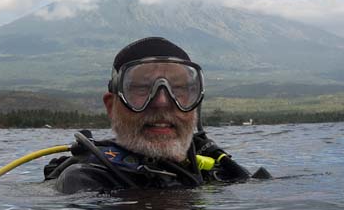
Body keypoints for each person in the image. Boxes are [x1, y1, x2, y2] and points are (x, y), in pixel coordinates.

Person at [44, 37, 269, 194]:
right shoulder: (86, 179)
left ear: (195, 106)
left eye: (179, 89)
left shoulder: (220, 171)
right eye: (142, 88)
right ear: (111, 106)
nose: (162, 102)